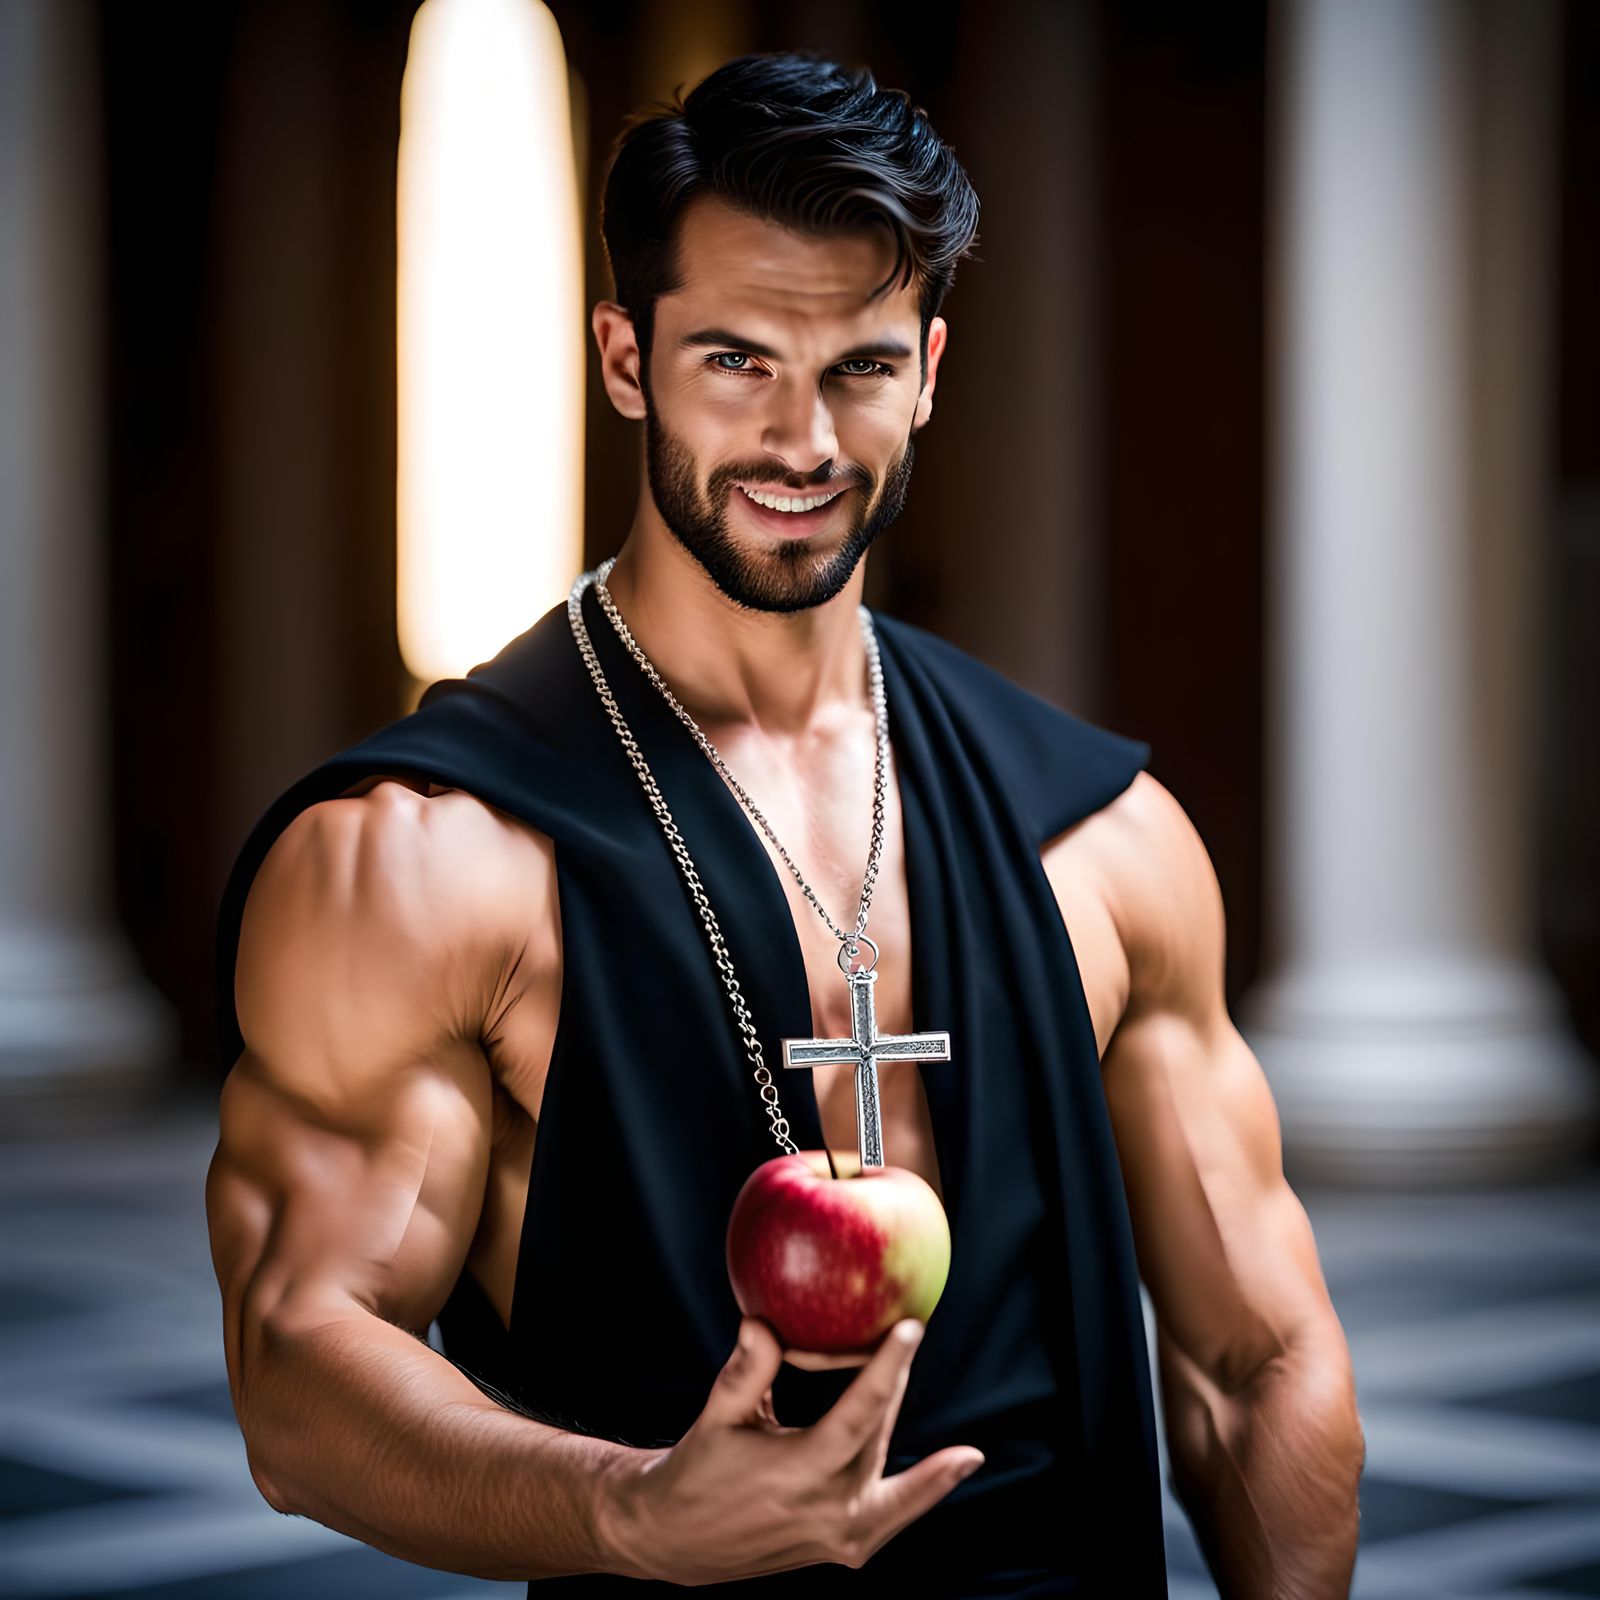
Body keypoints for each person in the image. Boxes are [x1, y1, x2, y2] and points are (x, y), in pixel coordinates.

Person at [206, 50, 1363, 1598]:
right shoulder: (419, 861)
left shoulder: (1109, 841)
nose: (807, 442)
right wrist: (633, 1515)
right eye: (738, 363)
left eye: (862, 368)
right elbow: (298, 1368)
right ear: (626, 358)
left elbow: (1256, 1361)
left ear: (933, 369)